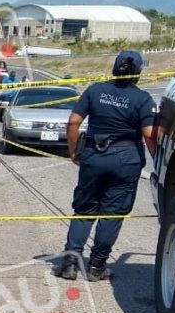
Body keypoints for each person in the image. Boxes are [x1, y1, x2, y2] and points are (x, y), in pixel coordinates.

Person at [54, 51, 156, 282]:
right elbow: (149, 134)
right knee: (112, 214)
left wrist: (73, 150)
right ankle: (96, 267)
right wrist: (159, 160)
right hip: (126, 158)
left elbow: (73, 121)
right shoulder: (143, 99)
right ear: (137, 73)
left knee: (84, 209)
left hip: (93, 155)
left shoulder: (95, 90)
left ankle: (70, 264)